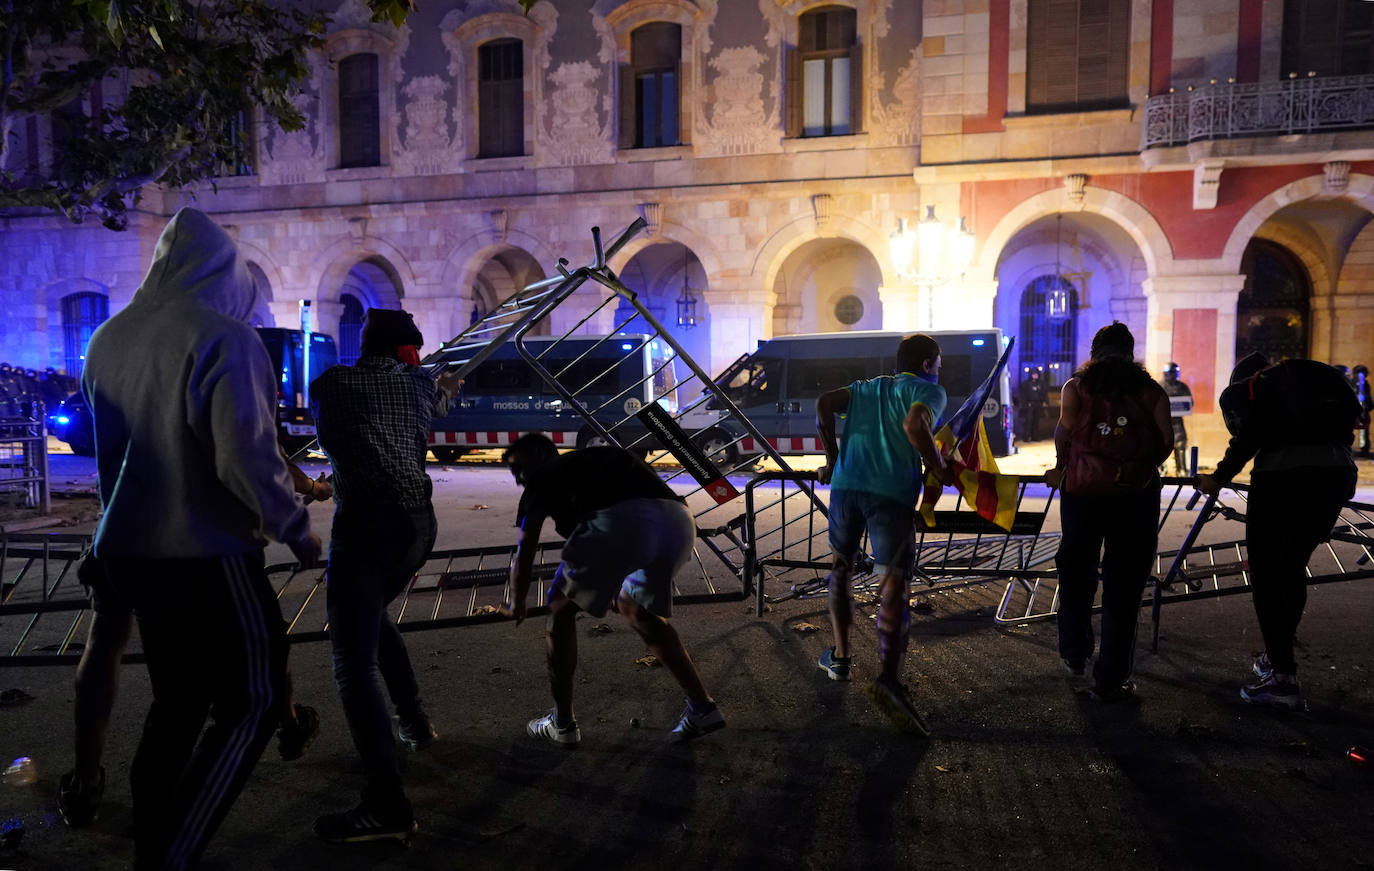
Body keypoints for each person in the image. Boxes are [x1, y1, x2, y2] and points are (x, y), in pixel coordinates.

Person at [79, 207, 322, 871]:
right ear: (225, 274)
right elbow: (246, 455)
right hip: (209, 554)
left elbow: (108, 458)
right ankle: (169, 859)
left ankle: (155, 840)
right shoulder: (225, 337)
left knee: (178, 701)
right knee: (257, 700)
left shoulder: (107, 339)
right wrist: (295, 529)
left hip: (132, 552)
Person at [58, 454, 333, 828]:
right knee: (258, 643)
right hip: (199, 536)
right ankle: (288, 724)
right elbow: (255, 450)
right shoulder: (212, 391)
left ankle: (84, 783)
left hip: (120, 523)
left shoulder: (113, 390)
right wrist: (306, 504)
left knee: (106, 640)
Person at [308, 307, 462, 844]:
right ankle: (415, 723)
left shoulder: (331, 382)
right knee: (371, 615)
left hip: (367, 522)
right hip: (419, 524)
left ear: (365, 346)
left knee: (353, 662)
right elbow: (437, 400)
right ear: (407, 351)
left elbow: (331, 435)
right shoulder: (422, 387)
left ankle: (386, 799)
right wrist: (445, 384)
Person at [499, 432, 725, 744]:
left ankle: (562, 724)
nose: (517, 479)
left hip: (619, 523)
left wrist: (517, 600)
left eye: (517, 469)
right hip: (679, 522)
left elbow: (525, 551)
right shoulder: (604, 457)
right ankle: (703, 707)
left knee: (559, 610)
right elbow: (637, 514)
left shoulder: (543, 478)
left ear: (538, 458)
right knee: (638, 610)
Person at [1196, 353, 1360, 709]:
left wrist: (1218, 478)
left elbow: (1248, 435)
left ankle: (1282, 679)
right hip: (1337, 475)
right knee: (1292, 568)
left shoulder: (1255, 387)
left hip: (1284, 480)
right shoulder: (1312, 376)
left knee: (1268, 574)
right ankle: (1277, 657)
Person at [813, 334, 953, 735]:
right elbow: (915, 424)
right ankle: (889, 680)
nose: (939, 370)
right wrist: (938, 466)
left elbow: (824, 404)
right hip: (890, 494)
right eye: (938, 363)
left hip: (845, 489)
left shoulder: (866, 387)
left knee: (840, 567)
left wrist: (832, 460)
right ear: (927, 363)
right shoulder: (927, 389)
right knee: (893, 581)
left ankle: (840, 658)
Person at [1045, 323, 1171, 702]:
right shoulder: (1151, 391)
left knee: (1077, 572)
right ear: (1130, 352)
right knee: (1124, 584)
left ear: (1095, 352)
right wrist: (1140, 469)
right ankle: (1112, 678)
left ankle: (1074, 654)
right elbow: (1166, 441)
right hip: (1135, 497)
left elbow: (1063, 433)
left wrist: (1061, 465)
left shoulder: (1077, 387)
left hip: (1082, 491)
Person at [1162, 362, 1194, 474]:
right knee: (1162, 444)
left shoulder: (1182, 387)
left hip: (1177, 421)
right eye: (1169, 372)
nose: (1171, 375)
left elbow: (1190, 403)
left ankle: (1181, 470)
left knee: (1181, 445)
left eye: (1173, 372)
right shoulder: (1160, 386)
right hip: (1163, 421)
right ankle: (1162, 470)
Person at [1016, 366, 1049, 442]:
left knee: (1036, 421)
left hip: (1038, 405)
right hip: (1029, 405)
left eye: (1036, 374)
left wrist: (1046, 401)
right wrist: (1024, 404)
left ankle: (1035, 437)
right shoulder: (1026, 384)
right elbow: (1023, 395)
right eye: (1033, 374)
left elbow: (1044, 393)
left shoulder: (1041, 384)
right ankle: (1027, 437)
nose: (1035, 375)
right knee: (1028, 421)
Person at [1354, 364, 1372, 457]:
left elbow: (1368, 398)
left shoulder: (1365, 384)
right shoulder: (1352, 383)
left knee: (1364, 432)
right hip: (1354, 411)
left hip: (1363, 412)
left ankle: (1364, 450)